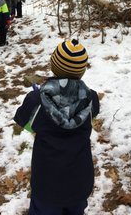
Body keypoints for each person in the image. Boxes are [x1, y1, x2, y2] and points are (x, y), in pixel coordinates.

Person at [14, 39, 100, 215]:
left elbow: (25, 123)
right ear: (82, 72)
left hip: (47, 184)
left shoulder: (36, 101)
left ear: (53, 66)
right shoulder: (91, 99)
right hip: (80, 181)